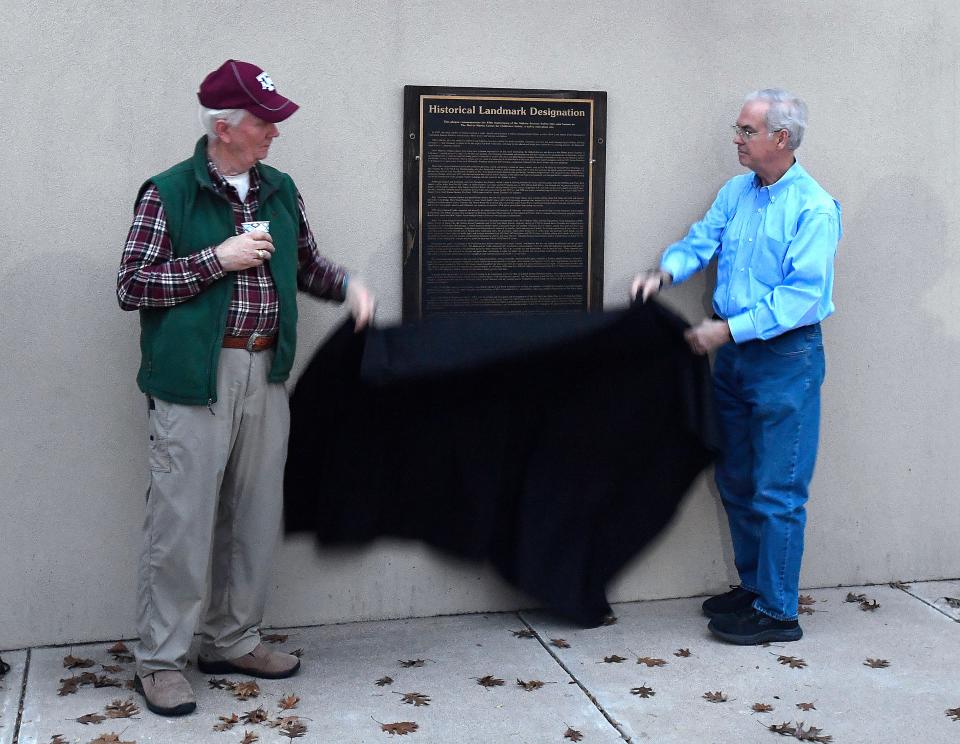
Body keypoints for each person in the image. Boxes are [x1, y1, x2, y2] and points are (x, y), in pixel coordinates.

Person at [117, 59, 376, 716]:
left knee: (254, 518)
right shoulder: (169, 192)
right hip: (194, 382)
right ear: (225, 127)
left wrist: (347, 285)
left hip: (267, 372)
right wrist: (215, 260)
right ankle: (161, 661)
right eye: (265, 122)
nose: (275, 133)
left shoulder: (280, 190)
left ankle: (233, 639)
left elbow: (306, 264)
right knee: (180, 523)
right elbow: (132, 284)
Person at [631, 89, 841, 645]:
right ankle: (754, 588)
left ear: (781, 138)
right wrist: (666, 273)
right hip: (734, 359)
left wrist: (724, 330)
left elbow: (802, 298)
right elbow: (703, 240)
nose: (736, 139)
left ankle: (778, 611)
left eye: (747, 131)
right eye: (738, 128)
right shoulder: (737, 193)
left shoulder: (814, 209)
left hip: (784, 359)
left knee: (779, 489)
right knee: (739, 478)